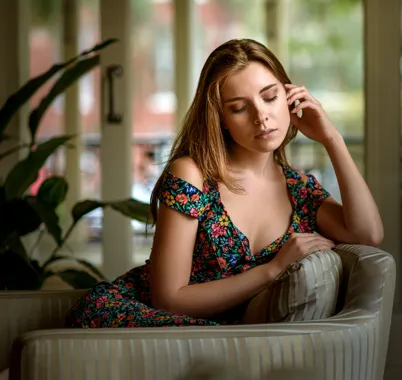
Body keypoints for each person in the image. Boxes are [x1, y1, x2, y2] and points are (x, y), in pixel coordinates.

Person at [64, 39, 383, 328]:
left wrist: (332, 139)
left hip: (234, 340)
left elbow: (368, 234)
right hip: (146, 319)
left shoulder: (299, 190)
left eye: (270, 97)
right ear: (221, 119)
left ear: (289, 98)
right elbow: (169, 299)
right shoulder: (191, 174)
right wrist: (273, 270)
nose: (262, 116)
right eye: (239, 108)